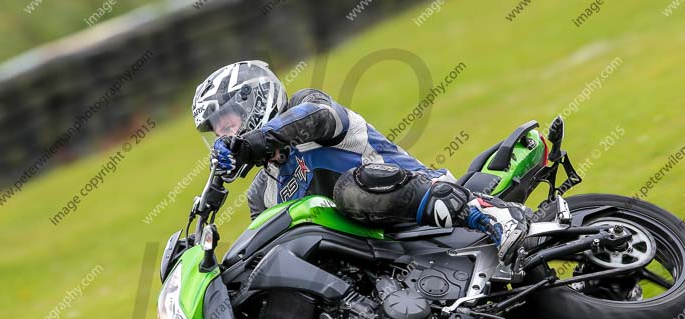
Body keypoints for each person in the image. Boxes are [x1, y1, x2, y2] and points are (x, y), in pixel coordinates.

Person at [192, 60, 529, 262]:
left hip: (423, 210)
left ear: (254, 101)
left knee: (349, 191)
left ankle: (488, 212)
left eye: (226, 120)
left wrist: (257, 140)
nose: (222, 133)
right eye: (216, 129)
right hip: (374, 257)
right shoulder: (261, 194)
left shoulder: (308, 108)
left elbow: (318, 116)